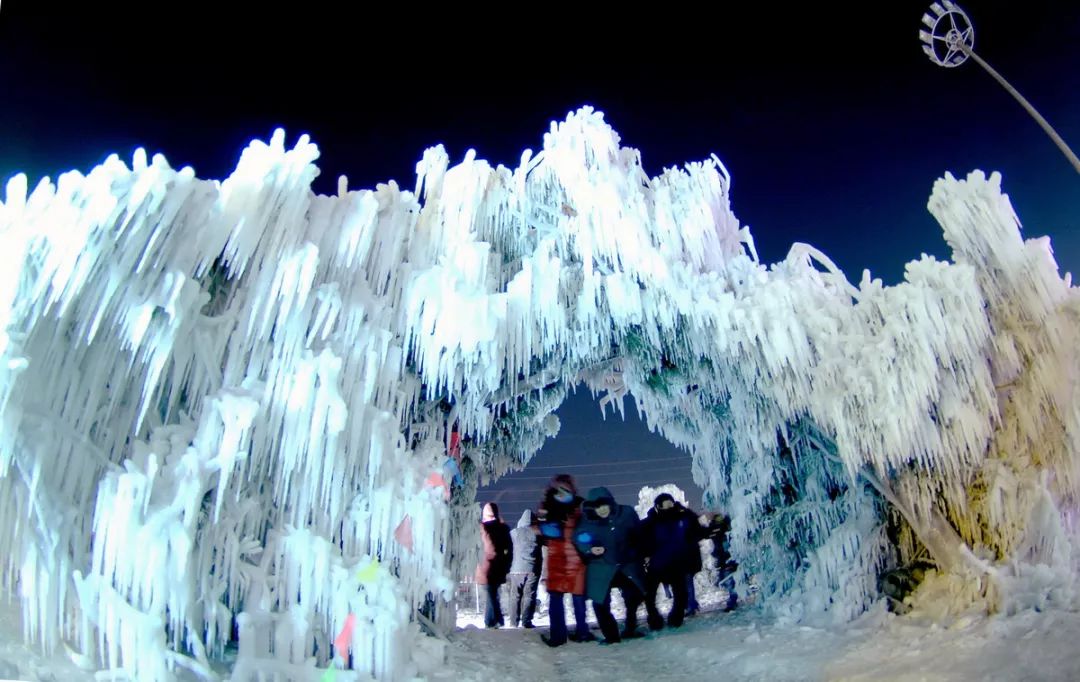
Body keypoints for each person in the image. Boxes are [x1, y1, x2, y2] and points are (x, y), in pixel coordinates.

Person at [573, 487, 647, 644]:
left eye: (604, 506)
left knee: (633, 596)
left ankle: (630, 627)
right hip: (601, 567)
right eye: (597, 507)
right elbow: (580, 537)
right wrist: (590, 547)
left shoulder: (626, 514)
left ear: (610, 504)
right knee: (600, 602)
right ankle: (611, 635)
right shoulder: (588, 521)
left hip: (626, 564)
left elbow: (639, 534)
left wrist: (635, 551)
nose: (602, 510)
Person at [535, 474, 594, 646]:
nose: (562, 493)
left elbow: (541, 530)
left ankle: (559, 636)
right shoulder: (579, 506)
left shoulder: (548, 506)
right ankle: (581, 633)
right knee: (573, 598)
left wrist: (544, 527)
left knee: (560, 599)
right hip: (570, 559)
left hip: (563, 559)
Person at [639, 493, 705, 629]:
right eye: (665, 504)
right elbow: (639, 540)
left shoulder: (684, 517)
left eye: (670, 503)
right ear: (658, 506)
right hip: (656, 565)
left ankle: (676, 619)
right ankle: (654, 619)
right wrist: (644, 555)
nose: (668, 506)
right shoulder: (650, 522)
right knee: (649, 595)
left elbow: (697, 532)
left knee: (681, 594)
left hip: (678, 564)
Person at [475, 502, 512, 628]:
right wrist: (506, 564)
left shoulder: (481, 529)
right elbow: (509, 550)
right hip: (499, 567)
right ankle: (496, 620)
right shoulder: (503, 529)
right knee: (493, 593)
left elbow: (483, 548)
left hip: (485, 567)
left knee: (491, 594)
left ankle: (491, 621)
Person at [504, 509, 542, 628]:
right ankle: (527, 621)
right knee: (529, 596)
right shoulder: (536, 533)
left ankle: (513, 622)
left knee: (514, 596)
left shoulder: (513, 533)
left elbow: (506, 549)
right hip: (532, 569)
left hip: (515, 569)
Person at [705, 512, 739, 611]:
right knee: (724, 580)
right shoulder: (713, 526)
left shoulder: (725, 525)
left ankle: (732, 601)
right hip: (721, 557)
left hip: (727, 556)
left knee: (729, 580)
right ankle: (732, 600)